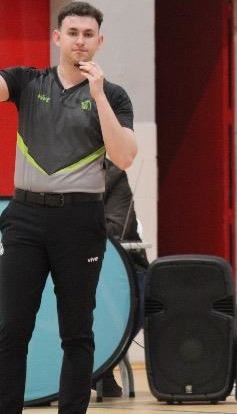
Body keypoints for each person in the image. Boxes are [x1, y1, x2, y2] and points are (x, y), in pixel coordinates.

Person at [0, 0, 137, 414]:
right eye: (72, 33)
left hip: (80, 221)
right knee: (13, 330)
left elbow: (124, 156)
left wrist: (98, 96)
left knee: (77, 333)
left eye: (88, 34)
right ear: (57, 38)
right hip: (26, 219)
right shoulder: (28, 82)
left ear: (100, 41)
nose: (80, 41)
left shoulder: (113, 95)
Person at [92, 159, 149, 397]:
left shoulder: (113, 176)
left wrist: (75, 227)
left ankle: (102, 365)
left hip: (123, 266)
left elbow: (117, 228)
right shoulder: (48, 178)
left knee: (146, 296)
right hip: (66, 265)